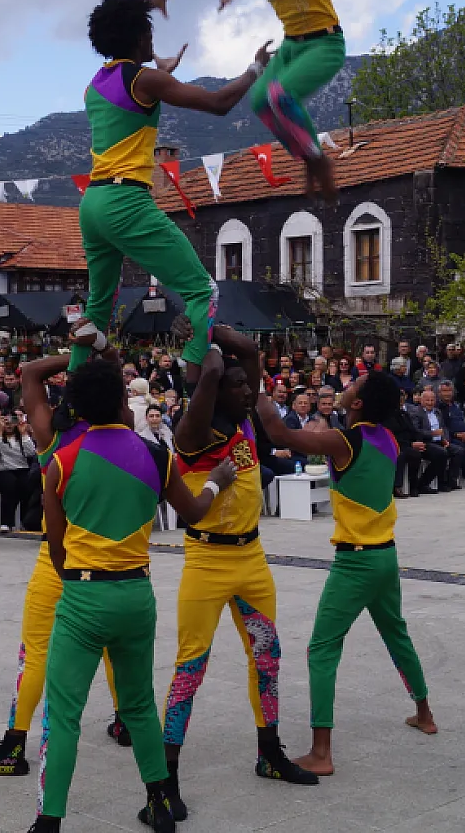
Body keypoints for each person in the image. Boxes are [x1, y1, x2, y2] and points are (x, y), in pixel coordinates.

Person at [29, 348, 235, 833]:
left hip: (83, 595)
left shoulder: (61, 462)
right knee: (140, 704)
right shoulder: (155, 455)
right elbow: (194, 514)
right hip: (137, 596)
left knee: (64, 714)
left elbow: (55, 547)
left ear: (76, 407)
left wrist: (78, 583)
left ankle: (49, 820)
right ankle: (160, 806)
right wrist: (217, 483)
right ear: (125, 401)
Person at [150, 321, 317, 824]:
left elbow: (247, 352)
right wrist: (204, 359)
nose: (251, 389)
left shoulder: (243, 421)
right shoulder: (194, 434)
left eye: (250, 385)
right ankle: (166, 780)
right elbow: (214, 372)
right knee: (190, 669)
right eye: (240, 385)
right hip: (206, 562)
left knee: (267, 659)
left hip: (252, 560)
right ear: (212, 389)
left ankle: (269, 754)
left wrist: (209, 320)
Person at [66, 0, 269, 383]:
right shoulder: (146, 80)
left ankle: (73, 398)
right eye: (148, 32)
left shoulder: (95, 85)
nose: (152, 39)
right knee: (202, 291)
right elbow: (218, 103)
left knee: (97, 312)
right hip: (126, 201)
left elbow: (130, 86)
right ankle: (191, 383)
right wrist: (255, 69)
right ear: (139, 36)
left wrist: (160, 70)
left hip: (93, 202)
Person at [252, 370, 435, 777]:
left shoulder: (345, 441)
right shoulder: (386, 438)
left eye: (351, 388)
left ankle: (321, 752)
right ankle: (424, 712)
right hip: (386, 556)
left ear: (356, 404)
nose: (344, 388)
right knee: (396, 634)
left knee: (322, 648)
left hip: (355, 562)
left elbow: (281, 435)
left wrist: (258, 390)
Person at [0, 346, 127, 782]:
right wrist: (104, 355)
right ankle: (127, 720)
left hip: (57, 562)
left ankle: (14, 745)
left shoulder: (52, 441)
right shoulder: (122, 433)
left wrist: (76, 352)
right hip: (110, 563)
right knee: (114, 649)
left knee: (35, 654)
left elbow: (31, 372)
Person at [150, 0, 343, 198]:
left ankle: (318, 160)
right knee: (259, 102)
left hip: (325, 43)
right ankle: (308, 157)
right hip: (292, 44)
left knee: (281, 96)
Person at [0, 413, 38, 533]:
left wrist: (24, 434)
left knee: (28, 484)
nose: (8, 424)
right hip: (1, 470)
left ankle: (27, 522)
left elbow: (31, 453)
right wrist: (0, 430)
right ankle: (6, 522)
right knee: (10, 484)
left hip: (21, 469)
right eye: (5, 421)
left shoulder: (22, 437)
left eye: (12, 421)